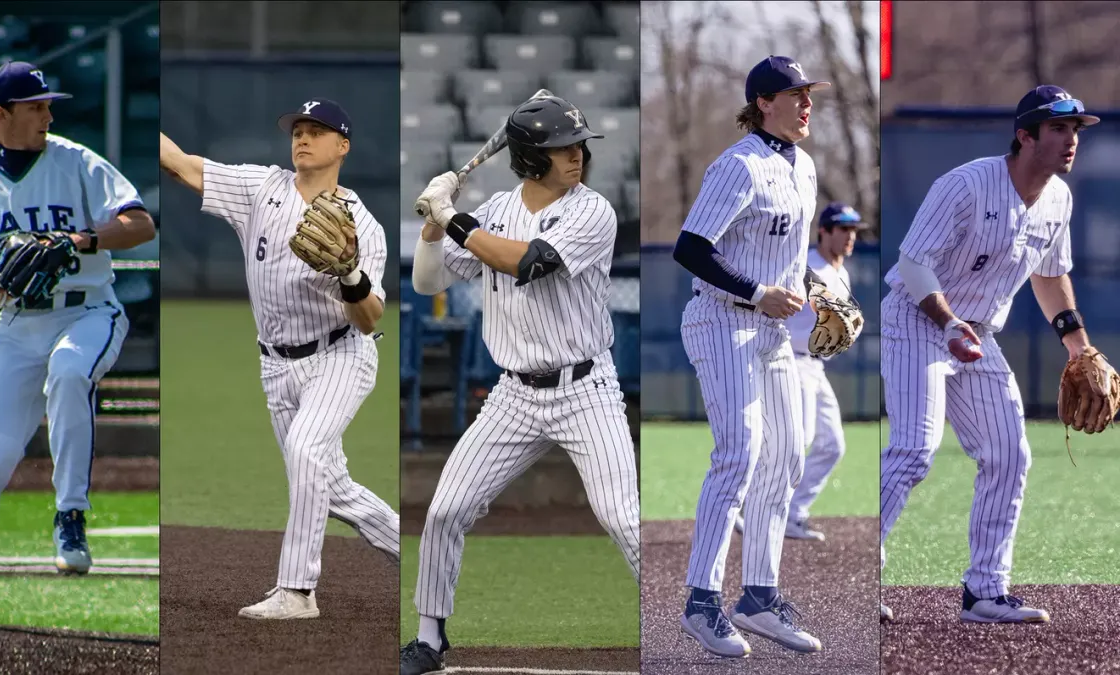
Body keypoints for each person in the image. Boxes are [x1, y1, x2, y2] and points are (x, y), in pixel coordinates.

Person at [399, 95, 640, 675]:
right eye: (562, 148)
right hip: (513, 395)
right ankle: (429, 638)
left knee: (622, 517)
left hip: (586, 389)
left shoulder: (594, 211)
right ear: (532, 156)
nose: (577, 155)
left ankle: (685, 616)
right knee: (445, 510)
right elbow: (429, 277)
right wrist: (433, 229)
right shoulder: (498, 208)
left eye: (578, 145)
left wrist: (454, 218)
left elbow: (528, 262)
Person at [0, 61, 156, 628]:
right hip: (15, 328)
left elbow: (140, 224)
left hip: (89, 311)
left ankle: (70, 512)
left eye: (49, 105)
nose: (48, 115)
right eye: (36, 107)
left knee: (71, 373)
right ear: (0, 115)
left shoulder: (75, 161)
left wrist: (78, 238)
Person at [159, 98, 400, 620]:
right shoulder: (260, 188)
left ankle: (297, 591)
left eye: (317, 130)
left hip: (340, 355)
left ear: (344, 146)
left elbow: (369, 318)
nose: (302, 137)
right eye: (297, 129)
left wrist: (351, 274)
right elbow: (177, 162)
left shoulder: (364, 225)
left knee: (309, 454)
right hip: (275, 365)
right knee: (332, 491)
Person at [879, 85, 1102, 624]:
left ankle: (985, 591)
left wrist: (1081, 347)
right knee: (914, 448)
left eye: (1075, 129)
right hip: (917, 319)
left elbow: (1050, 277)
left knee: (1009, 453)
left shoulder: (1059, 199)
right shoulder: (967, 184)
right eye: (1057, 128)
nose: (1071, 140)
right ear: (1025, 136)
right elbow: (913, 265)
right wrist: (948, 322)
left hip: (978, 335)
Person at [670, 55, 830, 658]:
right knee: (738, 454)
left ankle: (759, 596)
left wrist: (813, 289)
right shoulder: (737, 167)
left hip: (771, 334)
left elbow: (785, 255)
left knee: (787, 456)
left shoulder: (805, 167)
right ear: (764, 102)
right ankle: (701, 602)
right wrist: (759, 292)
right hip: (722, 322)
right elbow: (689, 248)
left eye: (809, 93)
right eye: (796, 94)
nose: (807, 103)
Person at [735, 203, 867, 542]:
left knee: (833, 444)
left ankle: (792, 513)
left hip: (813, 364)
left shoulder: (842, 272)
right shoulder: (807, 264)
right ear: (823, 231)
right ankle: (749, 507)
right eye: (842, 229)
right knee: (799, 439)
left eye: (854, 230)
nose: (849, 236)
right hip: (789, 358)